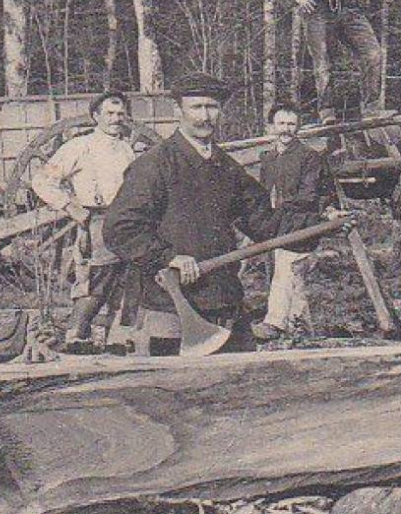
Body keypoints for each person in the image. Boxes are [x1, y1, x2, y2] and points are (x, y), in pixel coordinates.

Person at [105, 73, 335, 355]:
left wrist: (323, 224)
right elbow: (120, 227)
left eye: (212, 107)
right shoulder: (154, 165)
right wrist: (167, 257)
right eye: (196, 107)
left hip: (225, 304)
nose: (205, 116)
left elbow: (266, 223)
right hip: (170, 308)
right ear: (178, 111)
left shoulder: (228, 168)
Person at [29, 90, 138, 352]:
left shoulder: (125, 149)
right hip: (96, 220)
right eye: (110, 113)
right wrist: (70, 206)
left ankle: (116, 340)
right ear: (96, 116)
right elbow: (41, 180)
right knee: (94, 280)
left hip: (126, 220)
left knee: (126, 279)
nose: (116, 119)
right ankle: (76, 336)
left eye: (120, 113)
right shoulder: (79, 147)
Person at [252, 101, 338, 341]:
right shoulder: (268, 158)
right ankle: (301, 328)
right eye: (281, 124)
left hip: (302, 222)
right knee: (292, 277)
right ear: (271, 127)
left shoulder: (310, 157)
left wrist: (277, 209)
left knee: (286, 269)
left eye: (291, 124)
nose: (285, 129)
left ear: (298, 128)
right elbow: (262, 192)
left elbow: (309, 195)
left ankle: (274, 324)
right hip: (277, 225)